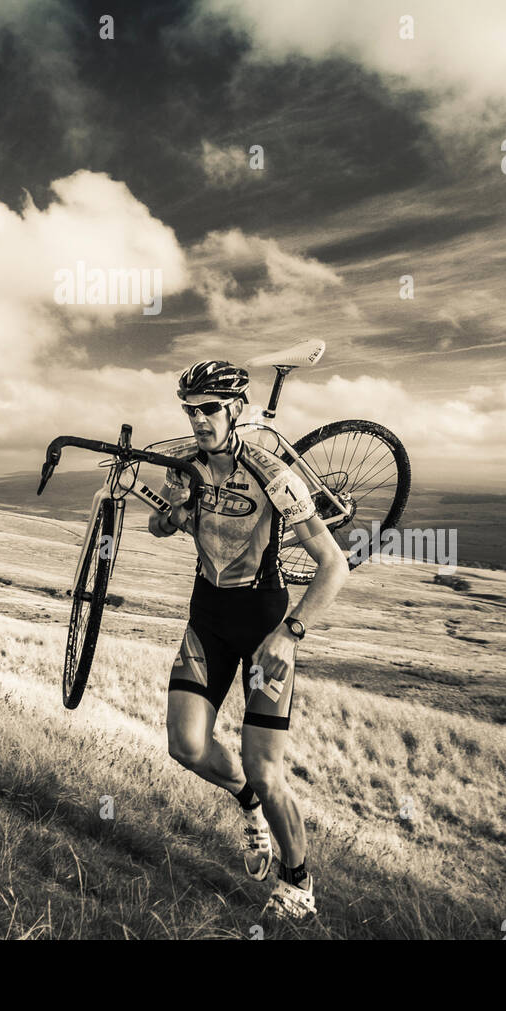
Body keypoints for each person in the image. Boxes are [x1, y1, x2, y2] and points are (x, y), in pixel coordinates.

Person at [149, 359, 352, 921]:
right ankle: (249, 807)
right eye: (190, 411)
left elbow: (334, 564)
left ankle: (299, 885)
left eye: (209, 409)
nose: (198, 421)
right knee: (185, 746)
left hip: (264, 625)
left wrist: (292, 632)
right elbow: (165, 525)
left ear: (235, 409)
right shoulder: (184, 467)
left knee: (267, 768)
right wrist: (170, 518)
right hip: (207, 616)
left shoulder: (274, 475)